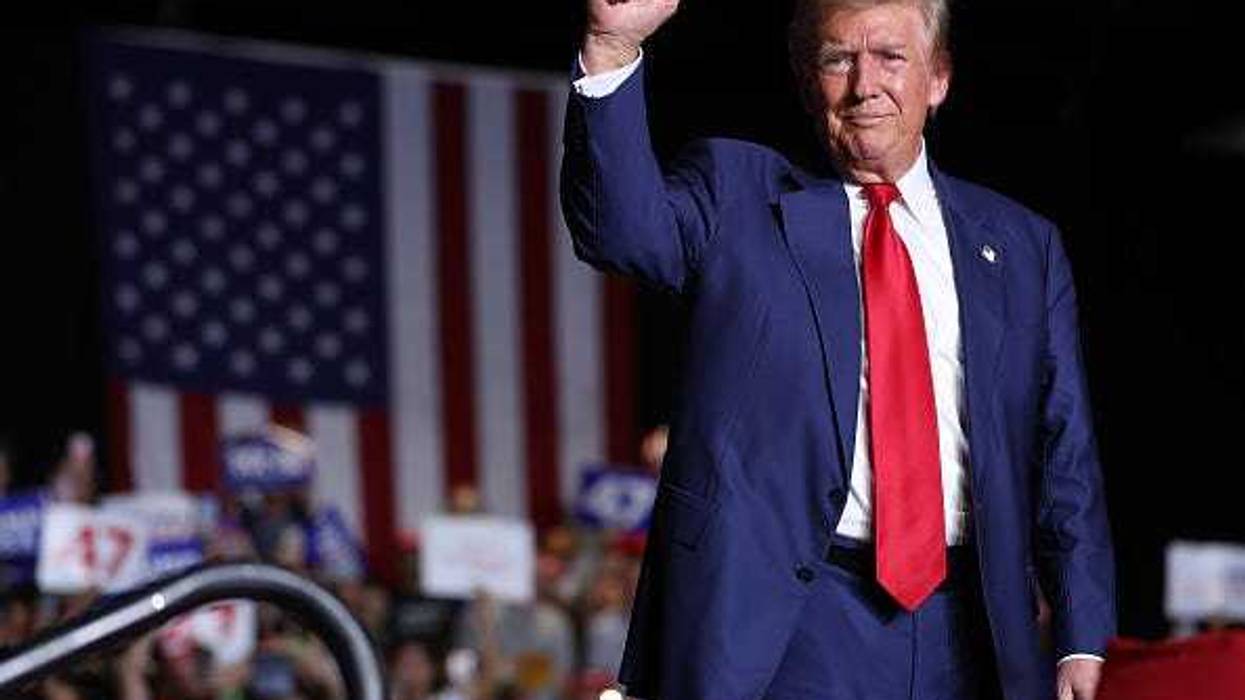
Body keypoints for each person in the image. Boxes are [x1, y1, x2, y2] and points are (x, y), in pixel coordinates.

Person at [560, 0, 1115, 699]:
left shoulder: (1021, 245)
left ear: (936, 79)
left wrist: (1079, 635)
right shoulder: (737, 196)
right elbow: (620, 232)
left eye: (889, 57)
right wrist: (610, 47)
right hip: (786, 623)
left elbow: (1065, 457)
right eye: (836, 60)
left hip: (971, 629)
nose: (863, 84)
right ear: (806, 81)